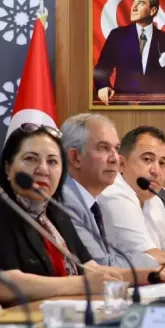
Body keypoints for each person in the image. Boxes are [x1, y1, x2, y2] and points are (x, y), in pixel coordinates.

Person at [0, 124, 165, 305]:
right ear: (8, 168)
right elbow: (4, 283)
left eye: (52, 161)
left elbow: (91, 269)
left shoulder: (55, 212)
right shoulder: (1, 209)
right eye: (30, 159)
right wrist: (83, 284)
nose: (43, 169)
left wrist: (144, 275)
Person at [97, 126, 165, 272]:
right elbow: (149, 258)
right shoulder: (114, 193)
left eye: (162, 163)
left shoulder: (153, 198)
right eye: (147, 159)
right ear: (121, 164)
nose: (156, 171)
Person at [60, 114, 158, 268]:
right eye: (103, 148)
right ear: (76, 157)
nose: (115, 158)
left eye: (116, 149)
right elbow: (101, 267)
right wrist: (154, 261)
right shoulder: (65, 200)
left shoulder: (93, 200)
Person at [93, 0, 165, 105]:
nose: (133, 7)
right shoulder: (117, 35)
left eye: (140, 3)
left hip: (157, 106)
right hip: (123, 105)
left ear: (153, 11)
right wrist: (103, 86)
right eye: (133, 3)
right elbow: (102, 68)